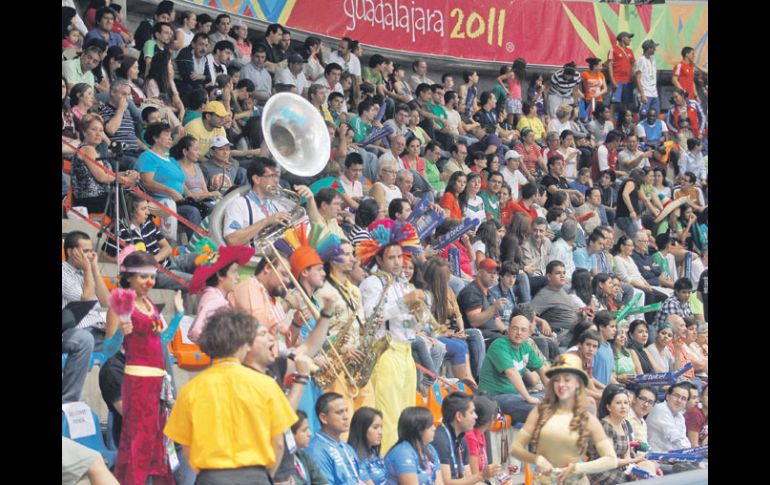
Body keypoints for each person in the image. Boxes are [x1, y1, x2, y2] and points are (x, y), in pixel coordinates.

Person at [165, 308, 297, 484]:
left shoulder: (190, 390)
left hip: (210, 478)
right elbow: (279, 444)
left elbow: (185, 446)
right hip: (256, 476)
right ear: (245, 344)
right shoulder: (266, 385)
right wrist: (265, 477)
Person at [103, 250, 184, 485]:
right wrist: (120, 334)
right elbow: (108, 351)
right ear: (128, 277)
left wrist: (178, 315)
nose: (149, 282)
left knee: (159, 446)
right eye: (143, 277)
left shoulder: (149, 304)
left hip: (158, 383)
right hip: (137, 384)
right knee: (138, 445)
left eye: (152, 277)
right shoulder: (120, 301)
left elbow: (160, 342)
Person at [357, 220, 427, 452]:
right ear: (379, 260)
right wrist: (402, 303)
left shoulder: (403, 285)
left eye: (400, 257)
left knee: (407, 413)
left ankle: (407, 459)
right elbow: (370, 319)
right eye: (391, 258)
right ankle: (388, 460)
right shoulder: (372, 283)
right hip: (385, 353)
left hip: (405, 353)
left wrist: (418, 315)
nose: (398, 262)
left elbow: (408, 324)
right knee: (389, 413)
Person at [511, 352, 618, 483]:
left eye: (567, 379)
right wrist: (537, 459)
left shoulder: (587, 419)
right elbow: (515, 448)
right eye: (556, 380)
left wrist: (577, 468)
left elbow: (611, 460)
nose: (561, 384)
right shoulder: (539, 411)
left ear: (578, 383)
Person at [62, 231, 110, 402]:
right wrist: (88, 268)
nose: (90, 255)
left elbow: (107, 303)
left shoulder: (87, 273)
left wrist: (95, 269)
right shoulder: (63, 273)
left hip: (99, 331)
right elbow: (86, 298)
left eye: (92, 251)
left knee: (141, 337)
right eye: (86, 251)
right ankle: (68, 403)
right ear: (71, 252)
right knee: (84, 339)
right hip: (74, 331)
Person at [222, 158, 312, 246]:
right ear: (257, 179)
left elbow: (309, 226)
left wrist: (310, 199)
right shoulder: (238, 204)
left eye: (277, 176)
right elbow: (232, 240)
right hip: (255, 259)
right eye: (271, 176)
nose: (276, 181)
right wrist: (266, 221)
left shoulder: (280, 204)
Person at [136, 122, 202, 241]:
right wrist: (170, 192)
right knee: (192, 212)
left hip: (178, 202)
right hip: (158, 203)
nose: (171, 138)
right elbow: (147, 182)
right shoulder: (148, 157)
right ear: (155, 138)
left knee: (208, 208)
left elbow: (182, 185)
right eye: (166, 135)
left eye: (171, 135)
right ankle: (196, 249)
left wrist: (193, 198)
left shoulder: (172, 160)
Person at [479, 315, 550, 423]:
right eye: (515, 328)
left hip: (515, 396)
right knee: (538, 410)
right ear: (508, 329)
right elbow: (511, 372)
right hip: (494, 397)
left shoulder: (525, 347)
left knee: (554, 402)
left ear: (529, 333)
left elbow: (542, 369)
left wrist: (552, 394)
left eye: (523, 330)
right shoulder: (499, 345)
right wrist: (528, 398)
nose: (519, 333)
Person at [70, 113, 140, 213]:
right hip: (92, 200)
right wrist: (125, 180)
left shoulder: (93, 150)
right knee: (133, 201)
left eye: (101, 130)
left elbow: (107, 174)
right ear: (84, 132)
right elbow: (102, 177)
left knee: (134, 199)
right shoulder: (87, 149)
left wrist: (126, 173)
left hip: (100, 198)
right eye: (94, 129)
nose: (98, 133)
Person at [186, 245, 254, 341]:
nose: (238, 277)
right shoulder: (216, 300)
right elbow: (197, 331)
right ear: (220, 276)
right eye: (234, 272)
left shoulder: (213, 296)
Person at [430, 392, 501, 485]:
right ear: (459, 416)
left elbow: (469, 479)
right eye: (471, 412)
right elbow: (446, 483)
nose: (475, 416)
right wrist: (482, 475)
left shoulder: (461, 439)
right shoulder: (440, 440)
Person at [587, 386, 651, 484]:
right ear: (608, 407)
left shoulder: (624, 423)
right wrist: (636, 460)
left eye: (626, 403)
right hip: (602, 472)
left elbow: (626, 456)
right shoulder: (605, 426)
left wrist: (634, 466)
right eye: (618, 403)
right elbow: (609, 461)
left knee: (647, 469)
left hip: (620, 468)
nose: (623, 406)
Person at [307, 393, 375, 485]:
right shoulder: (317, 451)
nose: (346, 417)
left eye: (346, 411)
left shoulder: (347, 448)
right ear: (324, 418)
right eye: (339, 412)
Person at [384, 407, 441, 485]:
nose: (434, 428)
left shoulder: (430, 449)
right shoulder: (402, 452)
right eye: (430, 425)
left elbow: (439, 482)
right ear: (418, 429)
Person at [458, 258, 509, 344]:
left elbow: (496, 320)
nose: (493, 276)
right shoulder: (471, 291)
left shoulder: (490, 293)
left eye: (495, 273)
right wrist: (494, 307)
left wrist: (505, 331)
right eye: (489, 272)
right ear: (479, 273)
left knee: (526, 340)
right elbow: (474, 322)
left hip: (495, 335)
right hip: (481, 338)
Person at [531, 261, 582, 344]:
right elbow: (526, 314)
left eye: (564, 273)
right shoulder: (545, 294)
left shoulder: (562, 290)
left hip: (573, 331)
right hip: (562, 336)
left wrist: (581, 313)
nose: (562, 276)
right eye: (558, 273)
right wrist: (542, 322)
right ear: (549, 276)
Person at [645, 382, 693, 452]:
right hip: (654, 457)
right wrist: (689, 450)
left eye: (683, 398)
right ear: (667, 396)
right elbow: (674, 437)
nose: (679, 400)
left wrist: (689, 450)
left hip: (671, 458)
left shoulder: (680, 416)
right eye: (676, 396)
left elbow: (683, 438)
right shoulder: (660, 409)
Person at [348, 407, 386, 485]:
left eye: (381, 427)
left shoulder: (375, 454)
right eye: (375, 427)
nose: (380, 432)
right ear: (362, 429)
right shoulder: (354, 458)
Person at [290, 411, 329, 485]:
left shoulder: (303, 456)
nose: (309, 433)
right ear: (290, 434)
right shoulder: (281, 465)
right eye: (304, 430)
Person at [627, 385, 657, 450]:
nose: (646, 405)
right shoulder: (625, 417)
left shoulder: (643, 422)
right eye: (643, 399)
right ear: (634, 399)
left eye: (650, 402)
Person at [636, 40, 660, 117]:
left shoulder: (653, 59)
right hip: (646, 93)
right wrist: (642, 94)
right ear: (649, 49)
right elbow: (637, 77)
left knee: (655, 115)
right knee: (643, 115)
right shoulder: (641, 60)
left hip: (654, 93)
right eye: (653, 48)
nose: (655, 50)